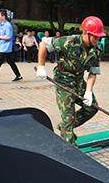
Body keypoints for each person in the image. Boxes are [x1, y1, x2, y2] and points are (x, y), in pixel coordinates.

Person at [36, 16, 105, 145]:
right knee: (68, 117)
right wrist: (41, 66)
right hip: (63, 81)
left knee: (92, 108)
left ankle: (64, 126)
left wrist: (88, 92)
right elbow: (44, 44)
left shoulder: (96, 50)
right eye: (95, 36)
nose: (98, 39)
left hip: (78, 81)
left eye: (99, 37)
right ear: (86, 33)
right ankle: (70, 147)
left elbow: (93, 72)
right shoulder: (69, 41)